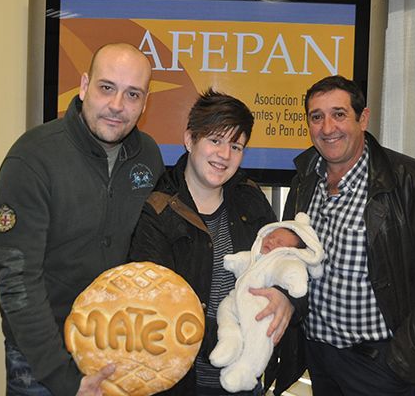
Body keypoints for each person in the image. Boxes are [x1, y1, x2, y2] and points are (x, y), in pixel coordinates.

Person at [283, 75, 415, 396]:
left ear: (363, 118)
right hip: (319, 360)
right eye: (316, 117)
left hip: (381, 367)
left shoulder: (410, 183)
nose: (327, 127)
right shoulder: (304, 182)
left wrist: (403, 361)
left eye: (339, 114)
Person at [0, 43, 165, 396]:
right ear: (84, 86)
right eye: (106, 88)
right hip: (42, 358)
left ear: (145, 104)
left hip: (117, 349)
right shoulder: (32, 157)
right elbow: (16, 277)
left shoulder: (148, 155)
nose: (118, 106)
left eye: (133, 94)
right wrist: (63, 378)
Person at [128, 89, 306, 395]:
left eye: (236, 146)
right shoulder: (156, 210)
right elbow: (156, 310)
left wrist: (287, 300)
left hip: (247, 383)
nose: (224, 155)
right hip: (181, 382)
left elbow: (289, 260)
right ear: (189, 140)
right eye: (215, 140)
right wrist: (236, 335)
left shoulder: (250, 199)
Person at [210, 213, 324, 393]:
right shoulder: (256, 255)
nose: (272, 242)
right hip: (236, 299)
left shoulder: (283, 261)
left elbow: (289, 271)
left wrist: (291, 291)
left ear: (291, 251)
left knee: (260, 336)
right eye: (271, 237)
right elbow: (244, 260)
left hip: (262, 307)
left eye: (280, 243)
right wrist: (233, 261)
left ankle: (246, 370)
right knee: (224, 312)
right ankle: (230, 340)